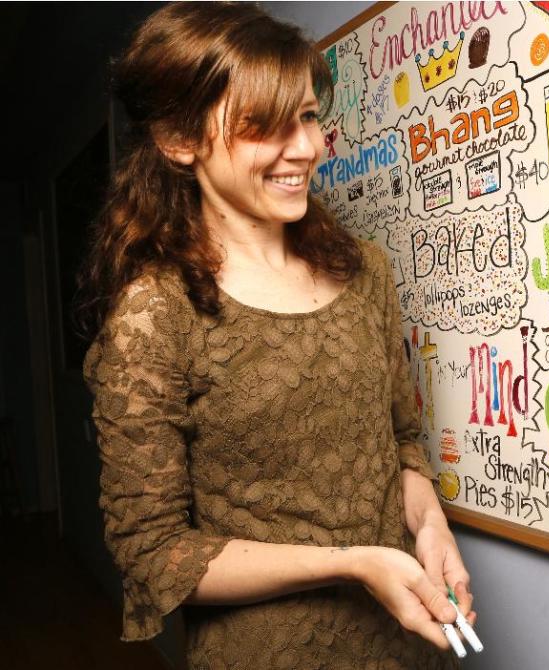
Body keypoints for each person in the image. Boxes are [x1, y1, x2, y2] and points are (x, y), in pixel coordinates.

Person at [75, 3, 474, 668]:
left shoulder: (364, 270)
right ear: (180, 138)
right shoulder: (156, 316)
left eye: (310, 117)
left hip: (403, 636)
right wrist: (355, 565)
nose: (307, 149)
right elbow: (155, 553)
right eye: (264, 125)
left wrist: (430, 528)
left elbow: (401, 440)